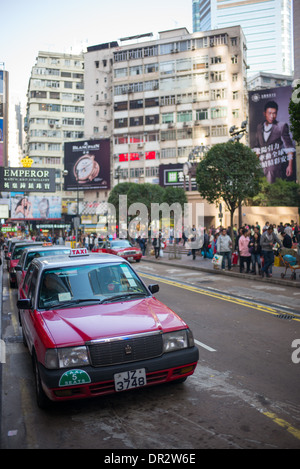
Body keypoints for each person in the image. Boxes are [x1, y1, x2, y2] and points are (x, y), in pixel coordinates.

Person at [253, 100, 296, 183]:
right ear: (264, 113)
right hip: (262, 166)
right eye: (269, 113)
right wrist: (254, 165)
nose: (272, 116)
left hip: (276, 167)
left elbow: (289, 147)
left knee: (273, 191)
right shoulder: (259, 127)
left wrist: (290, 166)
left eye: (274, 113)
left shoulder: (282, 126)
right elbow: (257, 147)